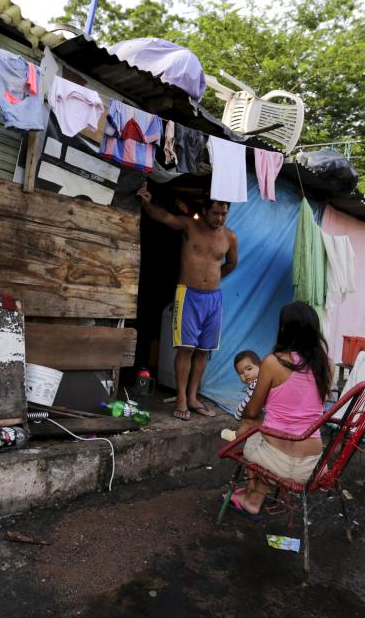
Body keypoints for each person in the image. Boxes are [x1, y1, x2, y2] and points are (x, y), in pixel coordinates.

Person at [138, 185, 238, 420]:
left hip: (213, 298)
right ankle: (181, 399)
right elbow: (165, 217)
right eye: (215, 213)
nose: (220, 218)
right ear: (205, 211)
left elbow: (232, 263)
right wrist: (147, 204)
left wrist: (213, 279)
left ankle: (194, 398)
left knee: (204, 350)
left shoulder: (230, 236)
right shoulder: (189, 226)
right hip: (188, 295)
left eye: (224, 214)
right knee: (186, 349)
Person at [225, 302, 331, 518]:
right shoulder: (326, 365)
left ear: (283, 330)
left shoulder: (272, 362)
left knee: (252, 430)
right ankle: (252, 496)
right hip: (314, 467)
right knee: (268, 431)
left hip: (278, 464)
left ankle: (252, 499)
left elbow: (252, 412)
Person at [232, 350, 261, 421]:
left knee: (247, 422)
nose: (245, 374)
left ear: (261, 366)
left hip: (265, 415)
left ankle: (237, 433)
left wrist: (237, 414)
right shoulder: (255, 383)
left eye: (249, 369)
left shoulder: (258, 384)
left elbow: (246, 403)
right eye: (241, 373)